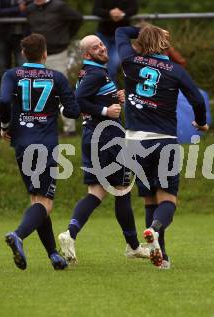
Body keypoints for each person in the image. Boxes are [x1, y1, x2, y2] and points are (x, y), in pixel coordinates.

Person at [115, 24, 208, 269]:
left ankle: (162, 256)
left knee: (149, 200)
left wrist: (144, 29)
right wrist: (201, 121)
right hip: (163, 140)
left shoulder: (129, 61)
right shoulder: (175, 71)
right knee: (168, 201)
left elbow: (121, 32)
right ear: (164, 43)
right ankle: (155, 229)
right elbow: (197, 99)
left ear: (141, 44)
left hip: (134, 141)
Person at [57, 35, 149, 263]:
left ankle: (70, 234)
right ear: (87, 54)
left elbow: (85, 100)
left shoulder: (91, 72)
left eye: (101, 44)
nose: (101, 47)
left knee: (97, 192)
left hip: (91, 136)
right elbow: (77, 102)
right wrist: (107, 111)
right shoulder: (96, 73)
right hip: (108, 135)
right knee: (122, 189)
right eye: (95, 47)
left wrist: (113, 98)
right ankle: (133, 246)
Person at [0, 34, 80, 270]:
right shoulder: (56, 77)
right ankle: (18, 235)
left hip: (22, 144)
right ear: (45, 54)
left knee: (37, 200)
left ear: (23, 54)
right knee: (45, 203)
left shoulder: (11, 74)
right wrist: (60, 104)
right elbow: (73, 111)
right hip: (45, 145)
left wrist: (5, 126)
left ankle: (53, 255)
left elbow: (4, 101)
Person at [26, 0, 83, 136]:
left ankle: (70, 129)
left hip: (57, 53)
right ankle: (39, 127)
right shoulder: (30, 8)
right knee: (35, 91)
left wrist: (67, 37)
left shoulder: (59, 6)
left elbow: (78, 19)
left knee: (62, 90)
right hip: (36, 56)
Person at [93, 0, 138, 78]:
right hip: (103, 35)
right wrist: (110, 13)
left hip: (121, 37)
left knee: (112, 65)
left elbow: (134, 9)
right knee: (100, 65)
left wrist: (122, 14)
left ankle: (110, 89)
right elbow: (95, 10)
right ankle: (103, 88)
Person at [0, 0, 30, 74]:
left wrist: (8, 12)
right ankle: (7, 85)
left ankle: (21, 85)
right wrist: (17, 9)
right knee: (4, 66)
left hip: (21, 37)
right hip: (3, 35)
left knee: (23, 67)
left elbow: (29, 11)